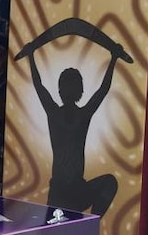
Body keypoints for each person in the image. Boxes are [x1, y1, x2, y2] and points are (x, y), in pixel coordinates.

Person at [27, 45, 121, 216]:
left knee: (110, 182)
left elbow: (102, 90)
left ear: (79, 91)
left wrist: (114, 59)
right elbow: (38, 85)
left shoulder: (82, 115)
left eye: (73, 86)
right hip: (59, 192)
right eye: (67, 86)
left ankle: (89, 224)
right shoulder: (55, 112)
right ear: (61, 90)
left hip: (78, 189)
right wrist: (31, 56)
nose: (70, 90)